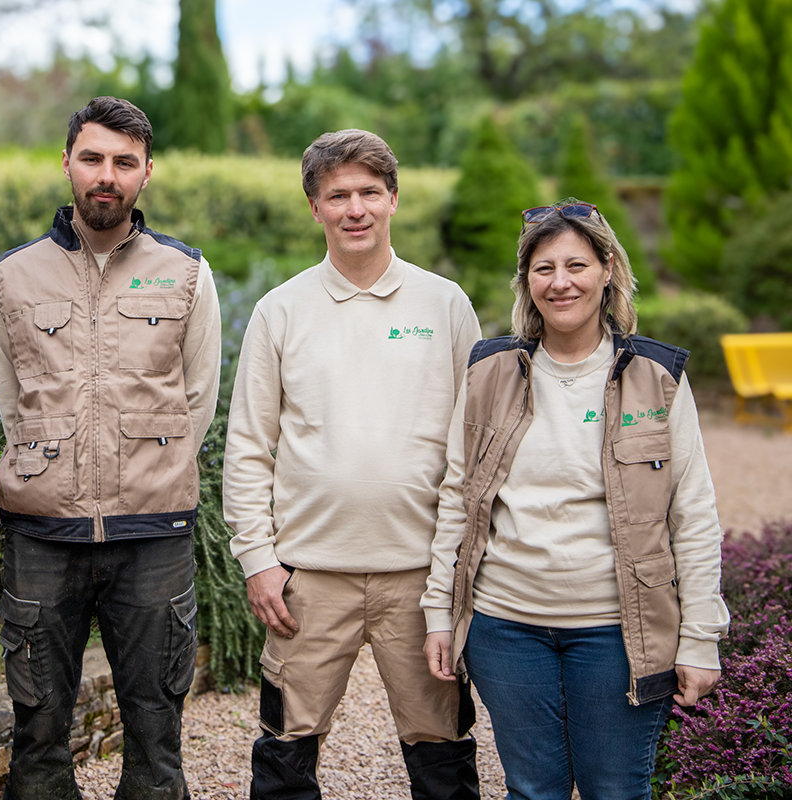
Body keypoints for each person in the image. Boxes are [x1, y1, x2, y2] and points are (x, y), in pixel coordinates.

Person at [422, 199, 730, 800]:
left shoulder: (657, 377)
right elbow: (457, 500)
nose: (560, 283)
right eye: (543, 269)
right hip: (505, 628)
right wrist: (440, 612)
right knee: (533, 789)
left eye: (576, 265)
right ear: (526, 282)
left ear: (607, 268)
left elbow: (692, 516)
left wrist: (699, 638)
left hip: (619, 633)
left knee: (615, 789)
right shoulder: (488, 372)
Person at [224, 129, 482, 800]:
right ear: (315, 209)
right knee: (286, 751)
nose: (355, 208)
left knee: (444, 752)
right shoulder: (280, 310)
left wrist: (459, 573)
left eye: (370, 191)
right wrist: (258, 559)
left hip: (421, 577)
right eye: (338, 195)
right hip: (309, 581)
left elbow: (476, 444)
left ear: (394, 198)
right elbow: (248, 444)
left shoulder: (445, 305)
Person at [0, 96, 221, 800]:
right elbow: (12, 398)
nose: (106, 175)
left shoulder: (185, 272)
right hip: (42, 536)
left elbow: (197, 400)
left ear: (148, 172)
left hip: (152, 536)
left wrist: (145, 469)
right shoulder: (12, 277)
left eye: (124, 162)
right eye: (92, 159)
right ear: (67, 165)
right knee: (39, 734)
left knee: (155, 735)